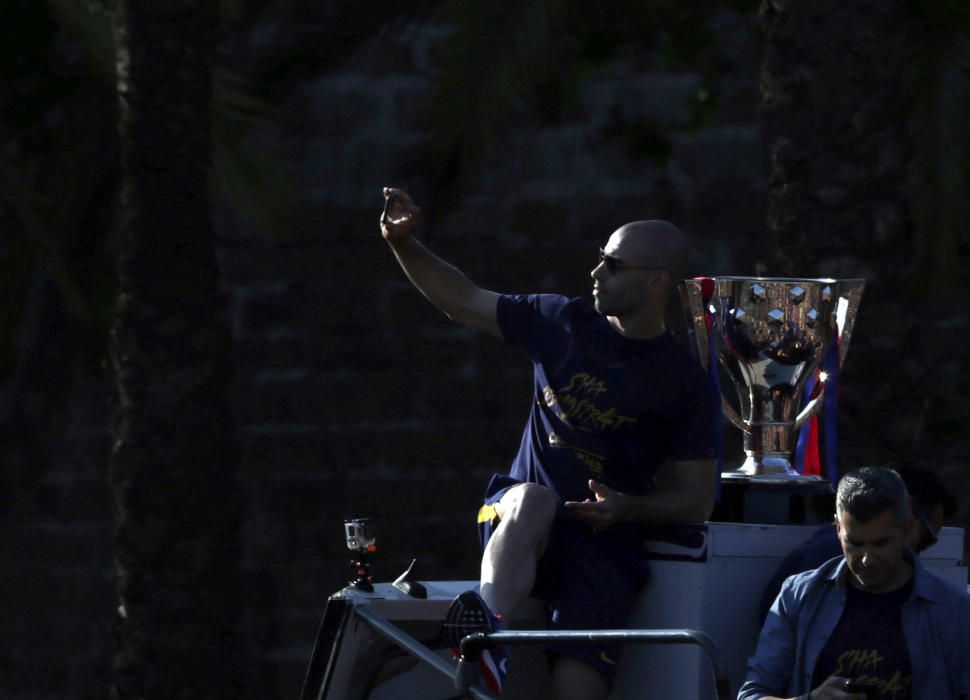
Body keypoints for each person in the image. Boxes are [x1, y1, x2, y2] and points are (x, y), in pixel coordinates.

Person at [379, 187, 718, 699]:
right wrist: (403, 243)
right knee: (534, 498)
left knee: (573, 691)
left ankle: (500, 651)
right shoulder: (560, 320)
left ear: (656, 282)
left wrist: (628, 509)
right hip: (519, 528)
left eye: (612, 264)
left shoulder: (685, 381)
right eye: (599, 260)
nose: (595, 273)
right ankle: (484, 638)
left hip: (605, 550)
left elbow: (698, 498)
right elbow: (461, 299)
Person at [738, 466, 970, 700]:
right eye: (855, 544)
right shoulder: (799, 596)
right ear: (837, 529)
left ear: (907, 529)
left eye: (881, 544)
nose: (867, 559)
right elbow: (752, 695)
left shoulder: (955, 611)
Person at [757, 460, 959, 622]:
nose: (867, 560)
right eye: (924, 538)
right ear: (908, 522)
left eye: (880, 543)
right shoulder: (823, 564)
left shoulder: (953, 606)